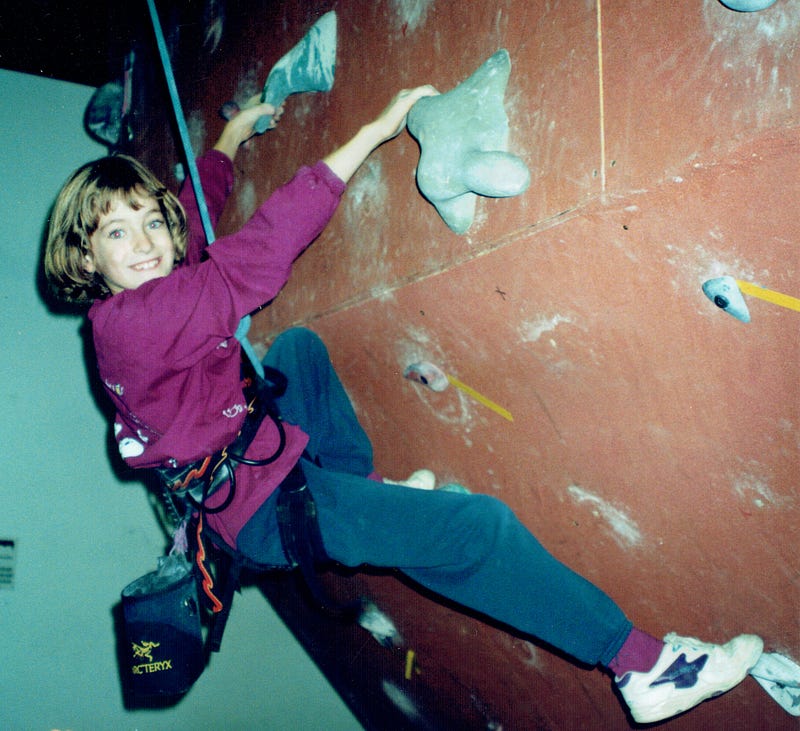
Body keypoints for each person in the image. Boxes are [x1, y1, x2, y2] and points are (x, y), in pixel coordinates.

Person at [44, 88, 764, 725]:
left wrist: (226, 147)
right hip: (264, 506)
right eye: (116, 233)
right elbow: (257, 255)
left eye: (148, 223)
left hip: (244, 464)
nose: (145, 244)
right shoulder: (135, 324)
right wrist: (372, 132)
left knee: (297, 353)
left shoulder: (130, 301)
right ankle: (645, 666)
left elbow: (187, 226)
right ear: (86, 261)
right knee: (474, 531)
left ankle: (363, 490)